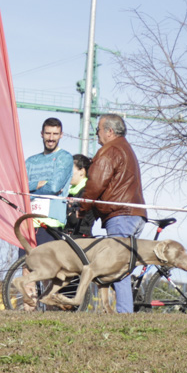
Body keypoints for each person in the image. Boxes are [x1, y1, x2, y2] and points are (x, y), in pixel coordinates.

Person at [78, 114, 147, 313]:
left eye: (98, 129)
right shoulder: (126, 148)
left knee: (118, 267)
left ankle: (124, 313)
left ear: (109, 131)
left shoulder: (109, 150)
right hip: (135, 214)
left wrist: (82, 208)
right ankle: (122, 308)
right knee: (124, 264)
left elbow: (96, 184)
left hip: (121, 215)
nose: (95, 133)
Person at [24, 118, 74, 246]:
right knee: (25, 265)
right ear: (42, 134)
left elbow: (54, 187)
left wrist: (31, 192)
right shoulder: (31, 161)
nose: (51, 138)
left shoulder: (64, 157)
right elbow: (20, 187)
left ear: (61, 135)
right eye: (48, 133)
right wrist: (38, 184)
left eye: (55, 134)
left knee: (44, 266)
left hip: (50, 223)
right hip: (27, 222)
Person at [63, 154, 95, 238]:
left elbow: (76, 220)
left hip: (81, 238)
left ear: (82, 171)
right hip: (69, 236)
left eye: (70, 169)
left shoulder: (87, 192)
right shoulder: (71, 193)